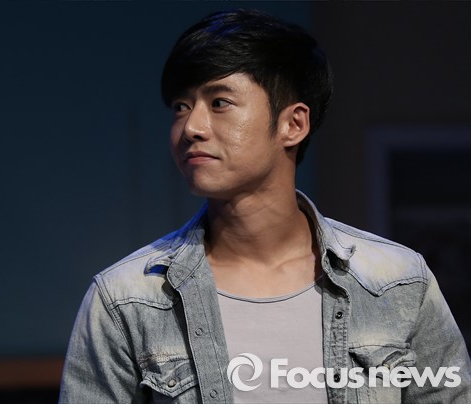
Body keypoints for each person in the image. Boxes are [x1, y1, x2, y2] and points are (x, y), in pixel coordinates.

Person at [59, 8, 471, 403]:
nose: (191, 127)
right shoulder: (127, 297)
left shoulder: (399, 282)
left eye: (219, 103)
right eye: (181, 107)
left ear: (293, 124)